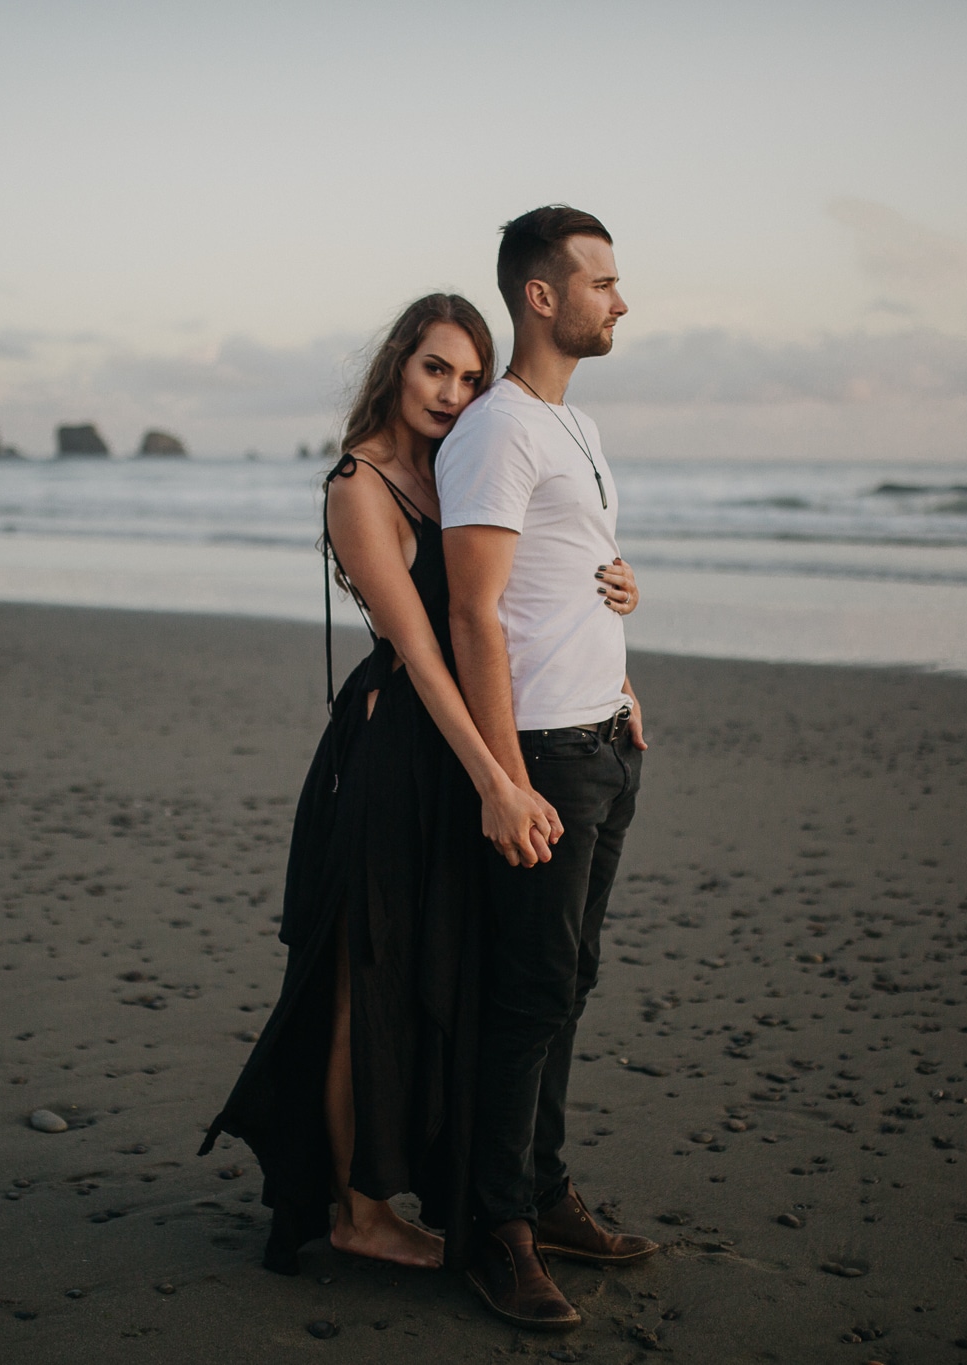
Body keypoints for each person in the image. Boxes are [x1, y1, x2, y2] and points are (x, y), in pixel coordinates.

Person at [200, 292, 641, 1277]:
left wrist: (615, 593)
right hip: (403, 751)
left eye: (470, 377)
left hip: (465, 747)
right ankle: (356, 1211)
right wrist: (494, 775)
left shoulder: (457, 468)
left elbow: (527, 583)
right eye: (434, 368)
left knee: (446, 975)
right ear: (396, 365)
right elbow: (424, 648)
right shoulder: (359, 484)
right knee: (368, 981)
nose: (452, 392)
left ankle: (464, 1189)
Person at [437, 206, 656, 1330]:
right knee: (525, 995)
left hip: (604, 743)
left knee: (567, 983)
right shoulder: (496, 430)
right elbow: (473, 613)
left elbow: (571, 572)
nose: (620, 301)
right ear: (540, 294)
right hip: (543, 763)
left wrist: (624, 672)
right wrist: (500, 779)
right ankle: (496, 1234)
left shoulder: (576, 429)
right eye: (601, 283)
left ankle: (540, 1188)